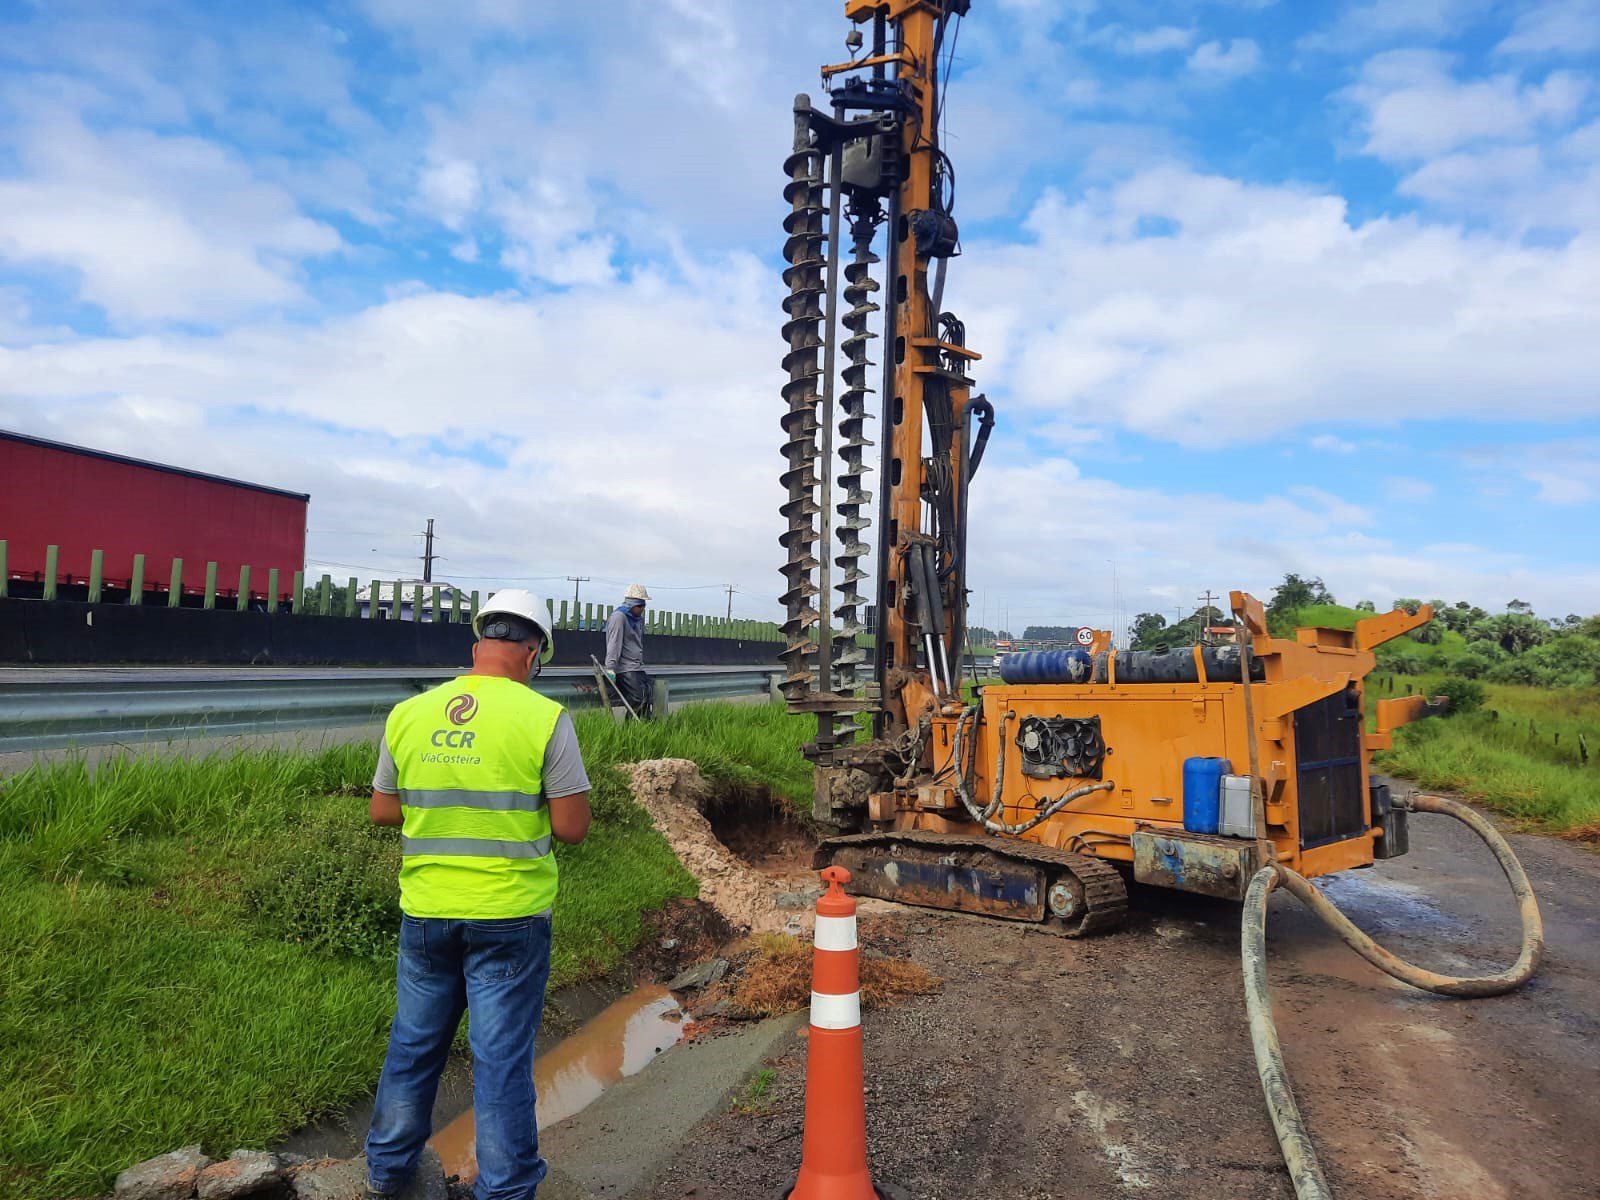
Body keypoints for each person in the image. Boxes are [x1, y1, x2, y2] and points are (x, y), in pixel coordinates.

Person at [364, 588, 591, 1200]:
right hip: (509, 917)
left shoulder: (408, 714)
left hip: (427, 912)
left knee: (412, 1047)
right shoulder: (544, 719)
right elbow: (572, 829)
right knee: (499, 1062)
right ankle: (506, 1189)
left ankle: (387, 1175)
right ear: (534, 651)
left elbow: (383, 811)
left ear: (477, 644)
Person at [603, 582, 653, 719]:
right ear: (632, 604)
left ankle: (643, 731)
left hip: (637, 667)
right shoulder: (619, 617)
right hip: (625, 669)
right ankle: (630, 730)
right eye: (640, 606)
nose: (642, 609)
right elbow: (613, 643)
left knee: (647, 698)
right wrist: (610, 668)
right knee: (638, 699)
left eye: (644, 605)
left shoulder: (639, 620)